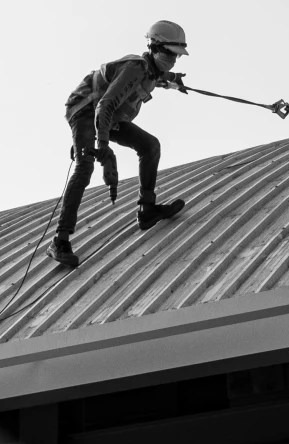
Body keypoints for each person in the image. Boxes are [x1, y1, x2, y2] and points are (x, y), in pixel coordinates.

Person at [52, 20, 191, 268]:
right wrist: (102, 143)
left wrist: (172, 79)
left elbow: (151, 79)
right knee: (85, 167)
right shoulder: (136, 67)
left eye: (177, 56)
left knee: (150, 146)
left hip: (109, 118)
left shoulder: (151, 72)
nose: (173, 60)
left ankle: (147, 210)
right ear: (155, 46)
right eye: (170, 53)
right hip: (86, 111)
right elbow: (105, 105)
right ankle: (60, 241)